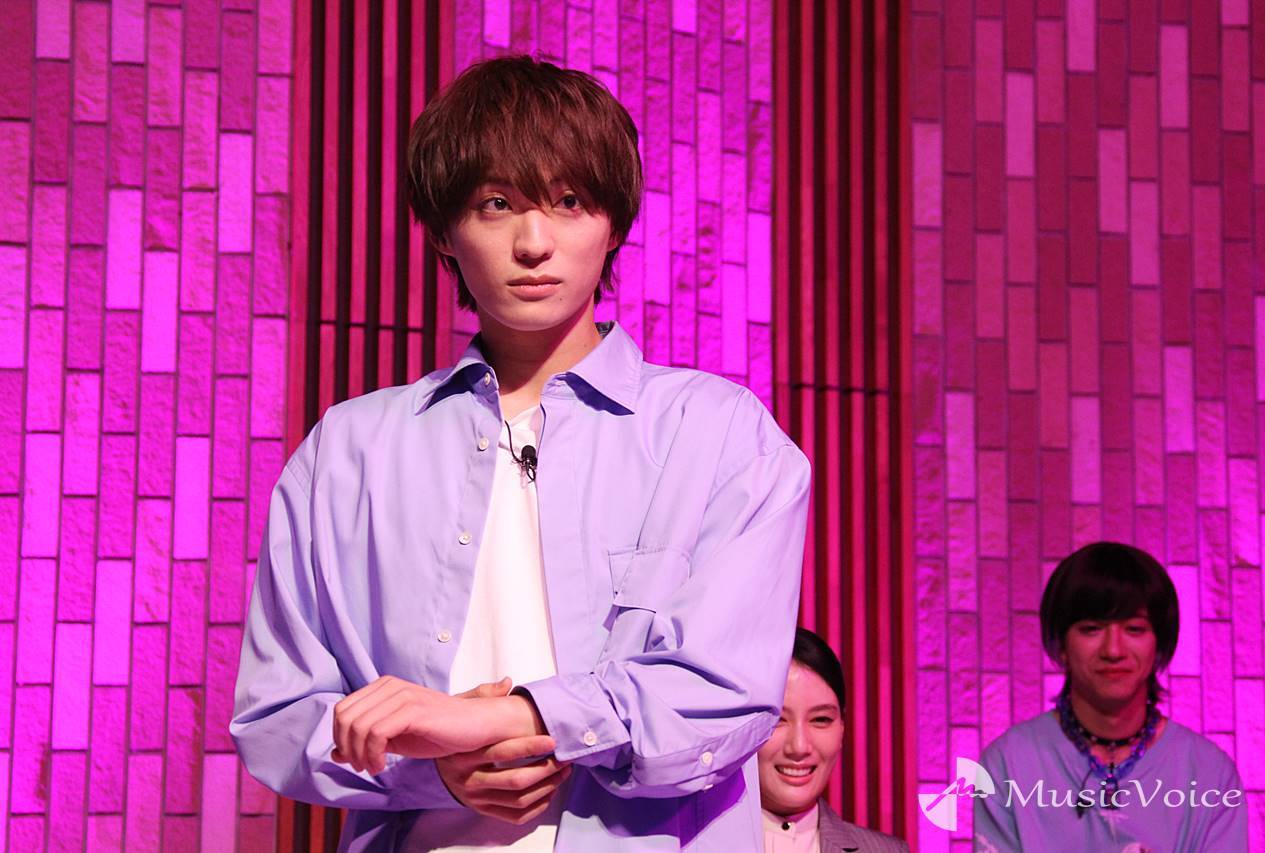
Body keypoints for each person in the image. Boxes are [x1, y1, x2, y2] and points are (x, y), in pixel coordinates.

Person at [230, 55, 811, 851]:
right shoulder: (348, 451)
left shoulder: (720, 434)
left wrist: (512, 718)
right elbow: (275, 714)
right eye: (496, 204)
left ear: (613, 224)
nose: (535, 243)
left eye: (569, 202)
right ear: (444, 231)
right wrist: (432, 771)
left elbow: (724, 696)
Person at [974, 541, 1248, 852]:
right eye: (1092, 628)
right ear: (1061, 645)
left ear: (1158, 644)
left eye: (1134, 629)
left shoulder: (1210, 773)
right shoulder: (1007, 764)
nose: (1113, 650)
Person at [758, 628, 907, 853]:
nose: (799, 746)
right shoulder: (700, 843)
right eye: (778, 720)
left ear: (842, 728)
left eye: (821, 719)